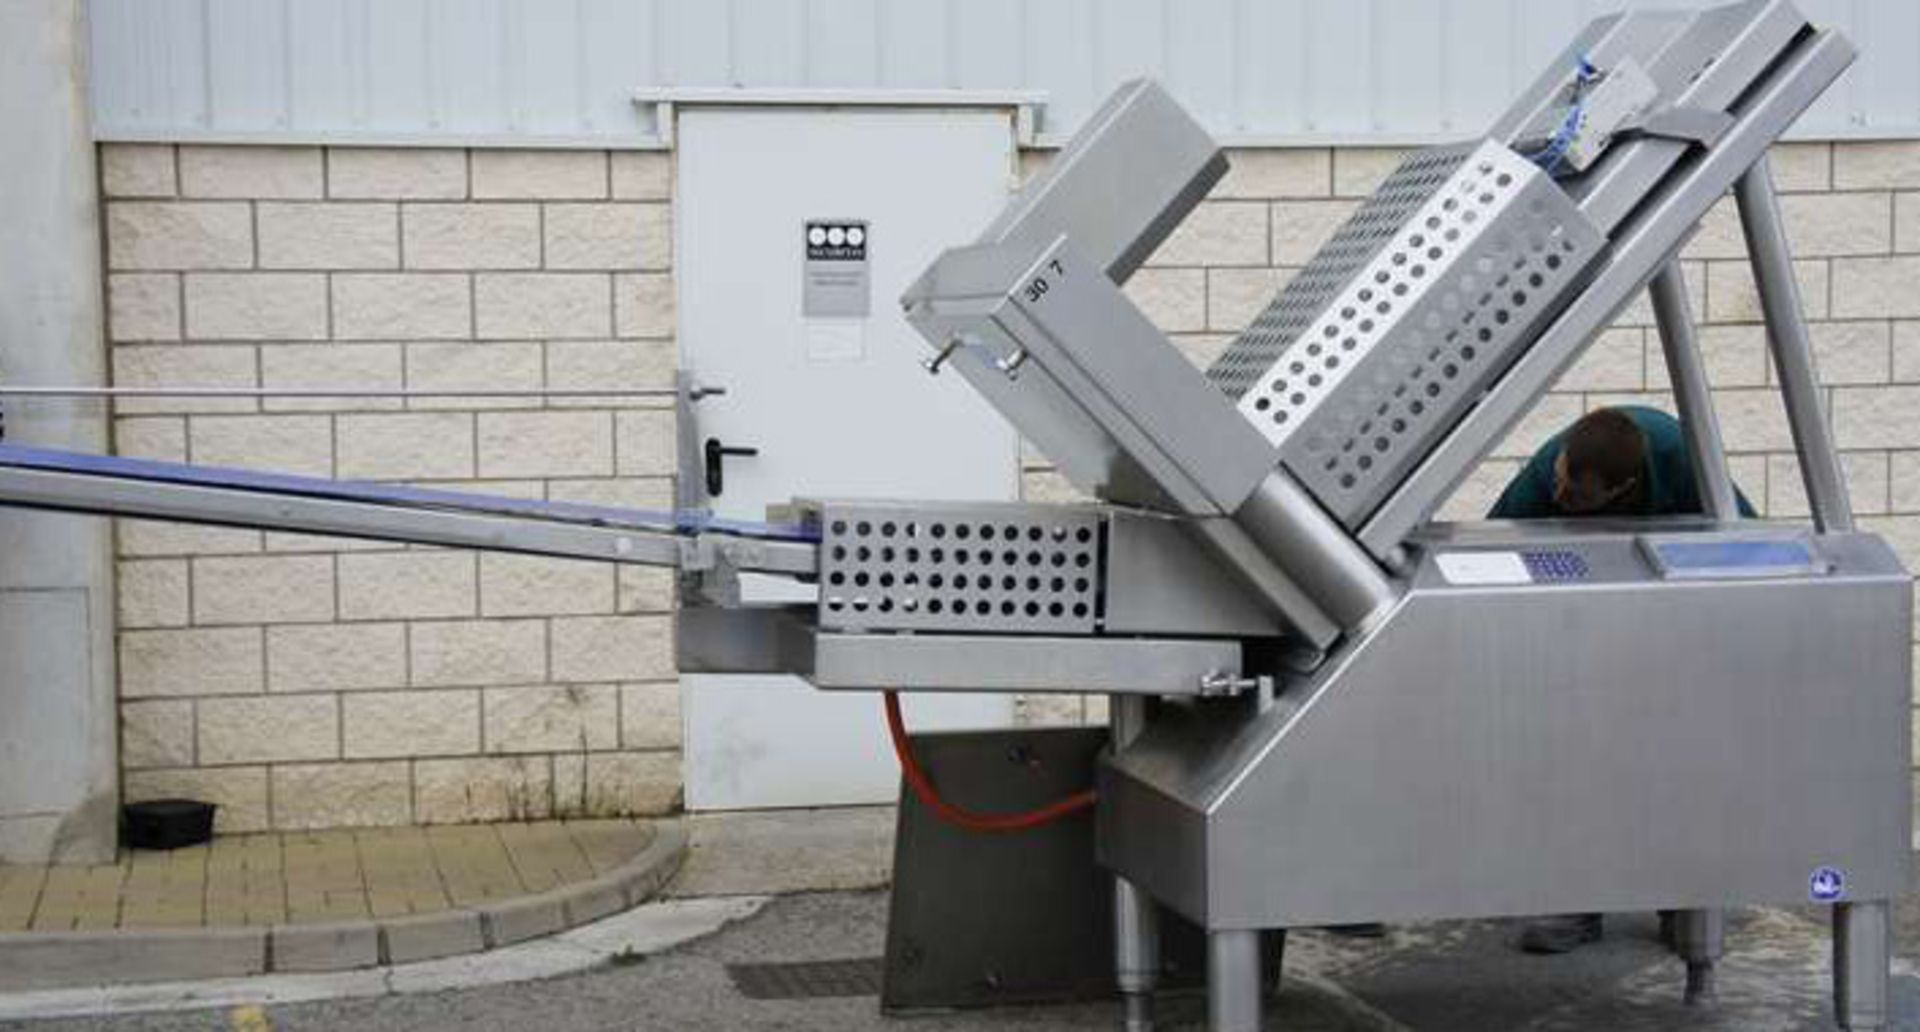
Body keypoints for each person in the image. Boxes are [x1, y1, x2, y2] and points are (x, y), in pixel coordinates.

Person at [1491, 405, 1754, 955]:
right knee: (1579, 757)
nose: (1560, 497)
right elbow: (1493, 554)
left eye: (1577, 498)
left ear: (1624, 489)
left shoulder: (1681, 460)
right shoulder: (1550, 472)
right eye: (1560, 484)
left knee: (1678, 765)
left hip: (1680, 626)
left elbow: (1743, 541)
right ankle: (1578, 900)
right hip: (1582, 627)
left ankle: (1683, 898)